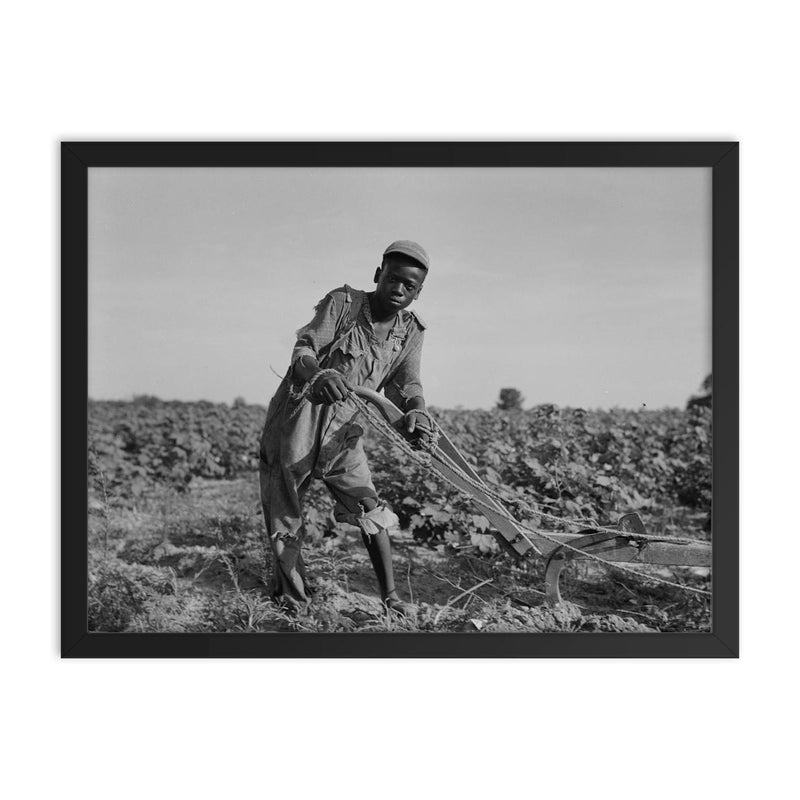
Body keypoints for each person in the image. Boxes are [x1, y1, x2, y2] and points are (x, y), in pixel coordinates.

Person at [259, 240, 433, 615]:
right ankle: (292, 601)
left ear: (419, 292)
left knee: (369, 506)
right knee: (285, 508)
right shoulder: (343, 303)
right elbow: (303, 350)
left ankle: (391, 598)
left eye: (410, 286)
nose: (399, 290)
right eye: (393, 279)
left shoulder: (411, 332)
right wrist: (318, 373)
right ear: (378, 275)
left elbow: (407, 384)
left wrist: (417, 410)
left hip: (346, 429)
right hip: (300, 415)